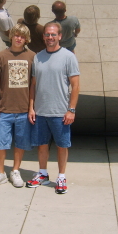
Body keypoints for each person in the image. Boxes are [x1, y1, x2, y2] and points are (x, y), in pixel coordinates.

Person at [27, 22, 80, 194]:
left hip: (60, 112)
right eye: (47, 34)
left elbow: (75, 85)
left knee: (62, 145)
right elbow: (33, 85)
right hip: (41, 111)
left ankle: (61, 177)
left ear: (60, 36)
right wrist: (31, 107)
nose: (50, 37)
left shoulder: (68, 57)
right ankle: (42, 174)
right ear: (43, 37)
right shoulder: (38, 57)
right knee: (41, 144)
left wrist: (71, 109)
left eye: (53, 34)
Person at [0, 23, 35, 188]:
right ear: (11, 36)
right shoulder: (1, 56)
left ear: (26, 39)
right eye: (16, 35)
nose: (19, 38)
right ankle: (0, 172)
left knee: (21, 143)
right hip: (4, 109)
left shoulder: (32, 57)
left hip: (23, 109)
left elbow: (34, 84)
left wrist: (32, 108)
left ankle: (15, 170)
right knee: (0, 143)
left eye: (22, 36)